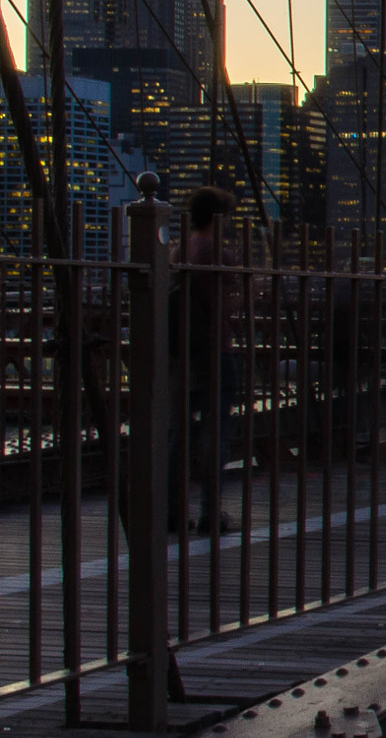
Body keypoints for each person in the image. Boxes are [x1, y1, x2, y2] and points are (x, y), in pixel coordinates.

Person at [173, 186, 242, 533]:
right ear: (218, 217)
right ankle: (209, 512)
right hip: (216, 348)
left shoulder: (178, 249)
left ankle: (172, 510)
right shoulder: (219, 253)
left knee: (178, 432)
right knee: (216, 433)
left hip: (182, 350)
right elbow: (226, 305)